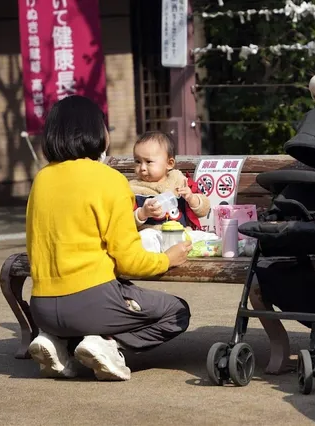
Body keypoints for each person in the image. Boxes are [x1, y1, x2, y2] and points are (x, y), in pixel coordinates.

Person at [26, 96, 193, 381]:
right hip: (93, 303)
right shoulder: (109, 179)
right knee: (177, 312)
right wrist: (167, 258)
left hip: (41, 306)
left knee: (79, 314)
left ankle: (56, 341)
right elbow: (129, 262)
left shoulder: (41, 179)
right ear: (94, 132)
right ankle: (107, 345)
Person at [130, 131, 211, 253]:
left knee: (207, 238)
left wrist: (191, 198)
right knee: (144, 238)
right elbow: (125, 221)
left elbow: (204, 209)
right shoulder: (133, 189)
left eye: (148, 162)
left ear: (169, 163)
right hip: (155, 236)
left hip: (181, 235)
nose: (142, 167)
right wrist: (142, 213)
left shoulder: (180, 181)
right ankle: (157, 263)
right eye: (137, 161)